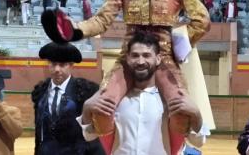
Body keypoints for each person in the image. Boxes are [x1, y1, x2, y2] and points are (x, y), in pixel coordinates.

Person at [41, 0, 210, 155]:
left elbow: (202, 19)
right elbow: (102, 19)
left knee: (181, 112)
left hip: (164, 56)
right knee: (102, 108)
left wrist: (178, 42)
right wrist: (75, 31)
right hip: (130, 55)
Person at [78, 31, 207, 154]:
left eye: (146, 55)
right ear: (128, 59)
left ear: (158, 59)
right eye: (135, 55)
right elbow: (89, 136)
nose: (140, 62)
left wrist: (196, 113)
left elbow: (199, 141)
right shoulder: (116, 99)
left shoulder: (169, 100)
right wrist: (86, 109)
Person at [31, 42, 104, 155]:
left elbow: (93, 134)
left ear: (71, 65)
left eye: (62, 64)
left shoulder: (86, 91)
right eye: (53, 64)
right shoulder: (40, 92)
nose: (57, 69)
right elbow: (39, 132)